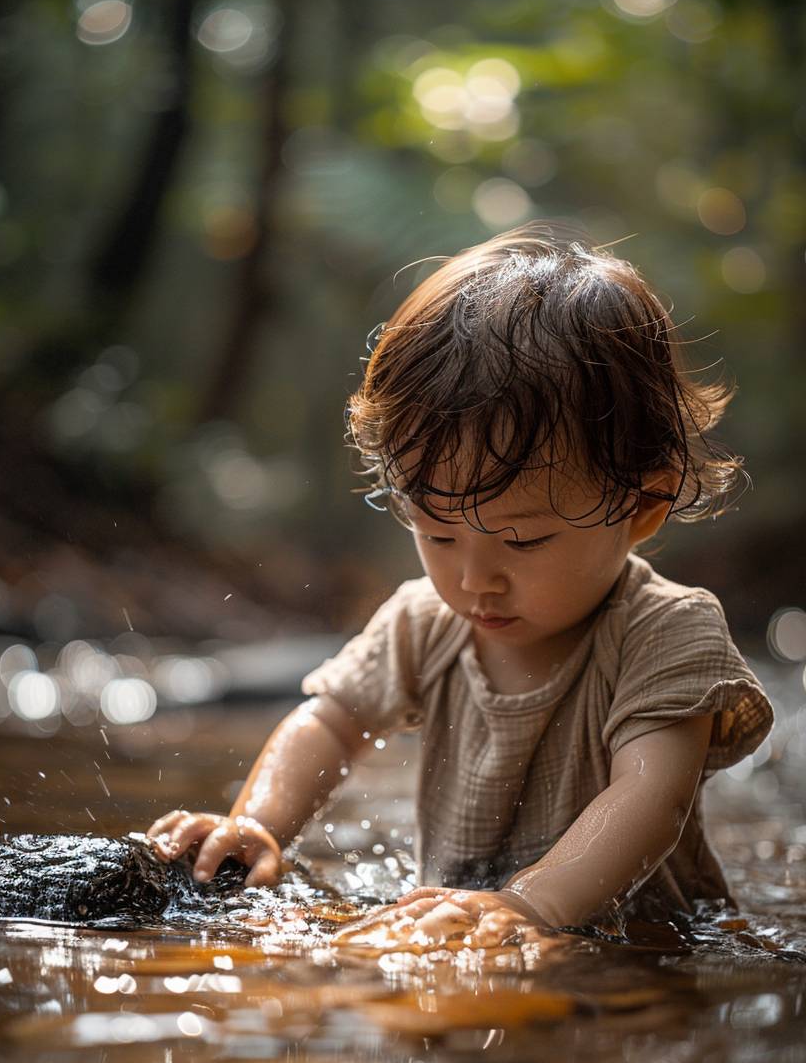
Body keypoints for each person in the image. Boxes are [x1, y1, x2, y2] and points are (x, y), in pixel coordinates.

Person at [148, 224, 774, 949]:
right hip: (461, 927)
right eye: (436, 533)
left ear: (642, 506)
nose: (474, 579)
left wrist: (531, 904)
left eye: (523, 539)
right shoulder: (423, 622)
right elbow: (330, 722)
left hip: (640, 953)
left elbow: (650, 796)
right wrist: (258, 821)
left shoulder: (666, 632)